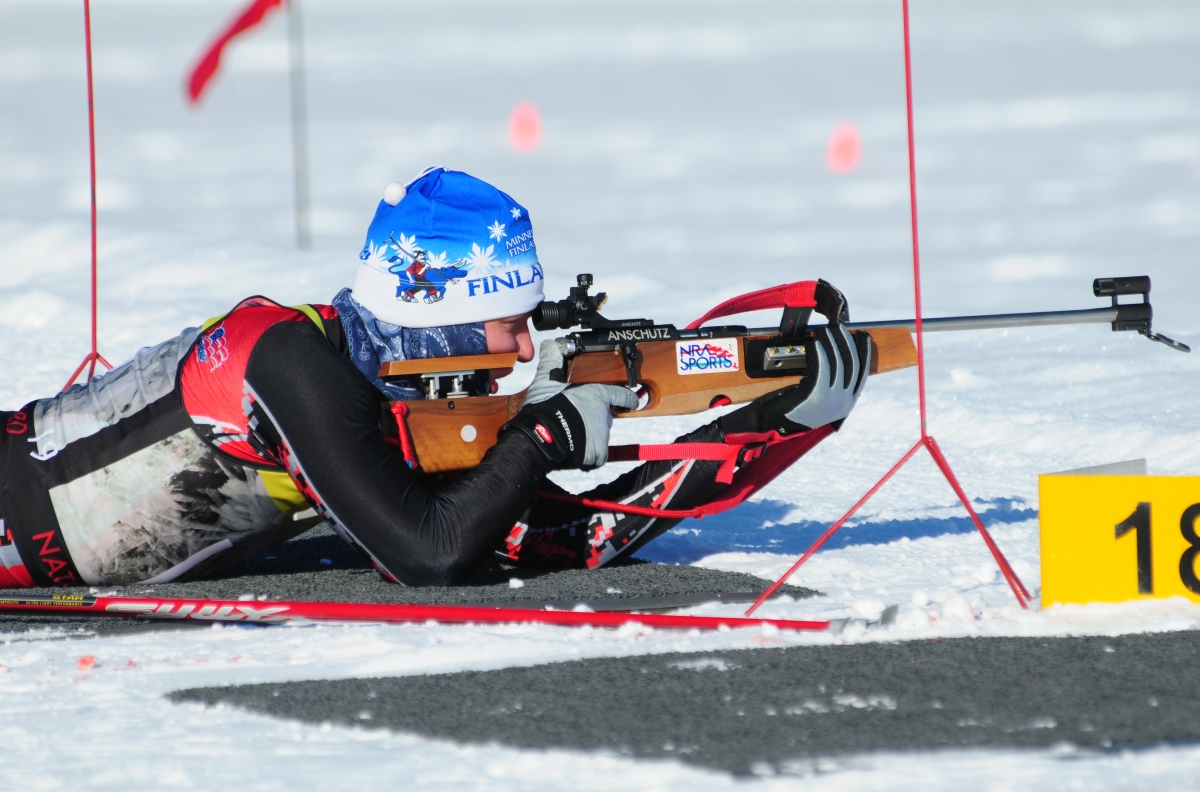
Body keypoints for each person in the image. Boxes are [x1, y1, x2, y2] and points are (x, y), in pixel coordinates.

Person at [0, 167, 870, 589]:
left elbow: (573, 539)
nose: (526, 342)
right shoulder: (290, 362)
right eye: (510, 320)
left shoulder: (388, 387)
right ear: (442, 313)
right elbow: (431, 550)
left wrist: (785, 424)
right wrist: (542, 435)